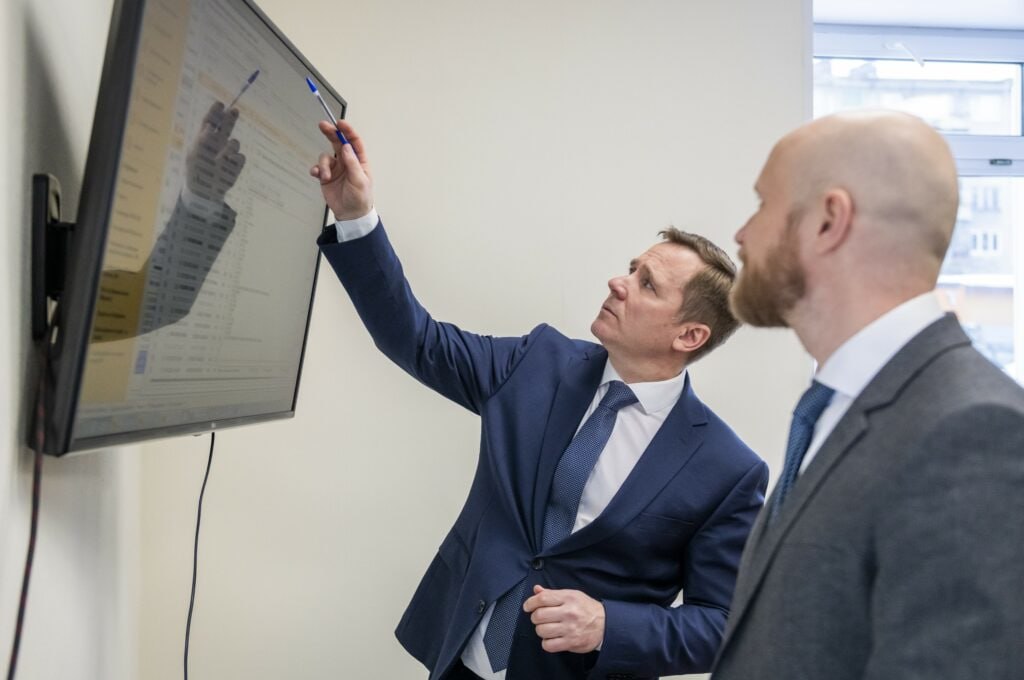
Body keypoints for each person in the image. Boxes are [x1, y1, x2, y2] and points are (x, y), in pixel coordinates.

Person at [310, 120, 768, 680]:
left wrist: (609, 624)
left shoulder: (727, 469)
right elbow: (416, 340)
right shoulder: (537, 363)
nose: (619, 283)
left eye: (647, 284)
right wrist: (356, 216)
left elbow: (722, 623)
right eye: (632, 269)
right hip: (460, 659)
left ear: (689, 335)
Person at [712, 110, 1024, 680]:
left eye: (762, 204)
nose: (741, 234)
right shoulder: (841, 404)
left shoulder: (973, 431)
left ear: (829, 221)